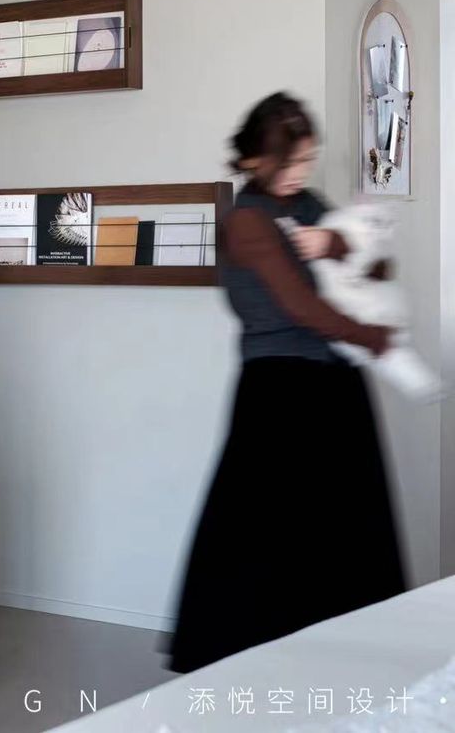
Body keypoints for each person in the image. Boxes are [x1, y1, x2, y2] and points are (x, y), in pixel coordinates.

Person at [166, 92, 407, 674]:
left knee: (345, 529)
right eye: (292, 162)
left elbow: (375, 264)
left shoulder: (307, 204)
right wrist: (371, 336)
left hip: (334, 380)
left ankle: (346, 659)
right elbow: (300, 304)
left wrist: (338, 241)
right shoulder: (246, 220)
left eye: (308, 160)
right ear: (255, 159)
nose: (302, 173)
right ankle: (252, 661)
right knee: (265, 529)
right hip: (279, 388)